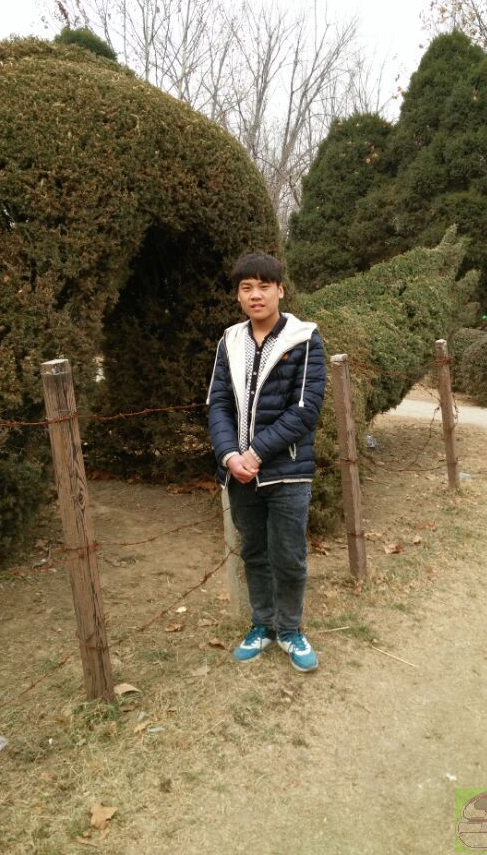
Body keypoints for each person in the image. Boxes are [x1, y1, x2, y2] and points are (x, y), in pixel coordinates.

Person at [207, 252, 326, 672]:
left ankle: (290, 629)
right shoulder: (229, 341)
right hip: (240, 474)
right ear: (238, 296)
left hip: (288, 472)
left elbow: (305, 410)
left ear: (280, 290)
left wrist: (255, 453)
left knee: (288, 555)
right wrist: (229, 456)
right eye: (246, 288)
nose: (255, 295)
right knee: (254, 552)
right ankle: (262, 624)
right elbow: (219, 403)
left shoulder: (304, 339)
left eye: (263, 286)